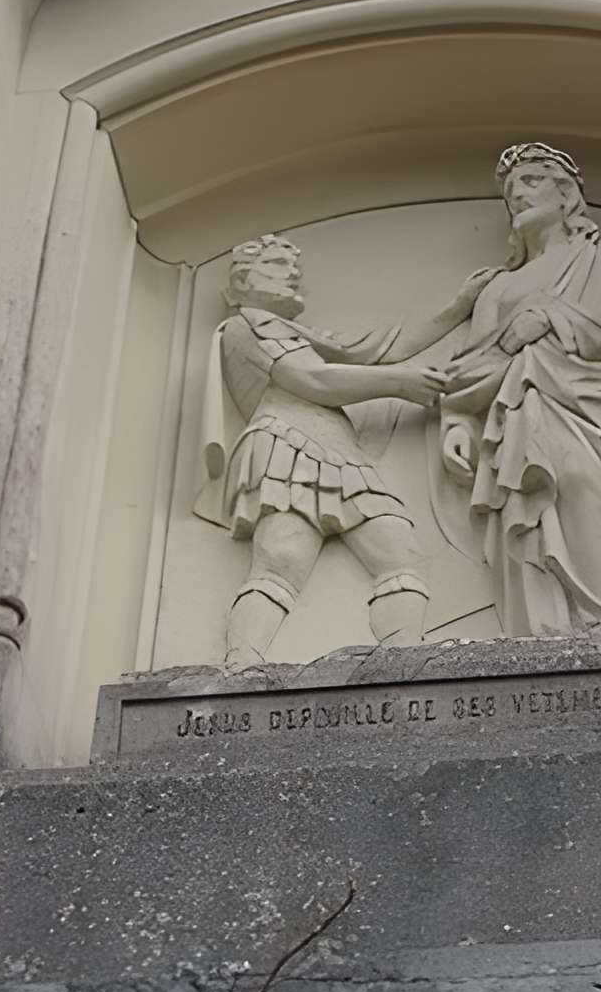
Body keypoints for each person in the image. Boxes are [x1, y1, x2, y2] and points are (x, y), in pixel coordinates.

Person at [199, 234, 488, 667]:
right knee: (281, 560)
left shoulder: (297, 334)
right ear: (242, 280)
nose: (292, 274)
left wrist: (458, 306)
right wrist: (398, 383)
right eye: (277, 265)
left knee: (400, 553)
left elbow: (378, 350)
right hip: (286, 443)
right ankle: (241, 665)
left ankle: (402, 662)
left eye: (292, 266)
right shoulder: (247, 326)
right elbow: (312, 380)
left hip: (336, 450)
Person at [439, 143, 601, 635]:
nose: (518, 194)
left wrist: (550, 317)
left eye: (531, 181)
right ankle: (540, 633)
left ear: (566, 195)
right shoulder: (497, 288)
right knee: (522, 508)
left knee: (578, 482)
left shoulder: (599, 259)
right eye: (511, 192)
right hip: (515, 410)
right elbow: (472, 364)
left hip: (583, 405)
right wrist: (457, 422)